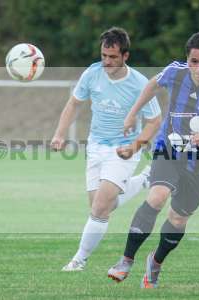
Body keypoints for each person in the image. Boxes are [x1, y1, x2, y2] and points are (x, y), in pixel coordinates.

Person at [107, 32, 199, 288]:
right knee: (157, 196)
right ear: (187, 59)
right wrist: (132, 113)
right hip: (167, 149)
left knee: (179, 219)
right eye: (194, 61)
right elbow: (152, 84)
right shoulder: (175, 71)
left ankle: (155, 263)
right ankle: (126, 260)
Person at [50, 27, 162, 271]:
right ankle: (145, 179)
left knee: (100, 208)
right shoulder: (92, 73)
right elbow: (74, 103)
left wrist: (134, 147)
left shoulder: (140, 84)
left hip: (123, 150)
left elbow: (155, 120)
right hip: (95, 146)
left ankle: (78, 260)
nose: (107, 61)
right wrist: (59, 134)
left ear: (125, 56)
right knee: (102, 207)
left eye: (113, 57)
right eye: (104, 56)